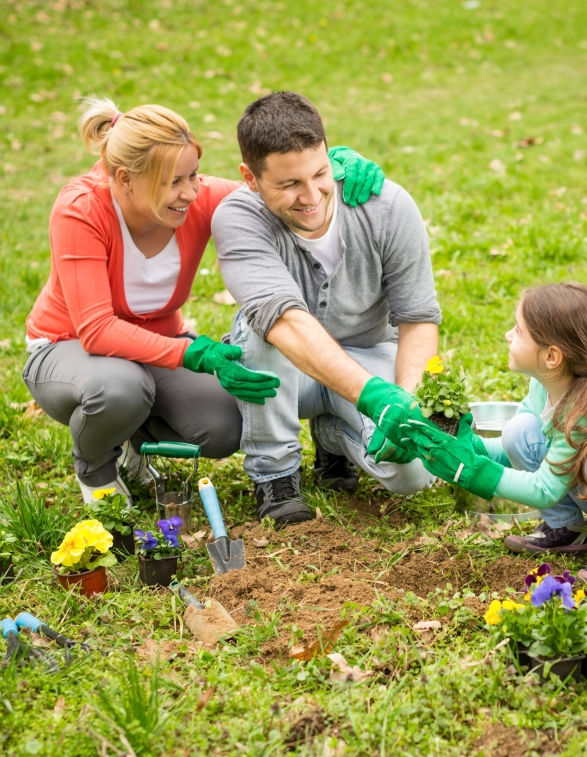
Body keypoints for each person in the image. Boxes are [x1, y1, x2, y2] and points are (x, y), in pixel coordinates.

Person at [23, 97, 383, 505]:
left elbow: (270, 192)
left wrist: (333, 167)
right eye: (173, 182)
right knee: (121, 389)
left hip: (155, 350)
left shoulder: (199, 197)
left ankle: (130, 440)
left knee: (225, 426)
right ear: (124, 179)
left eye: (194, 175)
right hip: (67, 348)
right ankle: (97, 470)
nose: (191, 192)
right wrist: (194, 353)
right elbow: (97, 330)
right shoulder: (81, 209)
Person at [212, 91, 441, 527]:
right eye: (289, 184)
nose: (312, 195)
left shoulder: (387, 206)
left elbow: (418, 319)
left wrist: (404, 406)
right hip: (284, 372)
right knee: (262, 329)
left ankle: (333, 437)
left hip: (367, 353)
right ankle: (276, 475)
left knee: (412, 472)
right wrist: (375, 397)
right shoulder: (238, 219)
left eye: (320, 174)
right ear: (250, 177)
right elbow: (287, 324)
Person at [390, 282, 587, 592]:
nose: (508, 335)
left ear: (551, 357)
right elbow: (512, 447)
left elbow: (544, 489)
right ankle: (567, 529)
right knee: (521, 432)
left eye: (518, 331)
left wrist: (474, 472)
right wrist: (468, 446)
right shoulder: (546, 386)